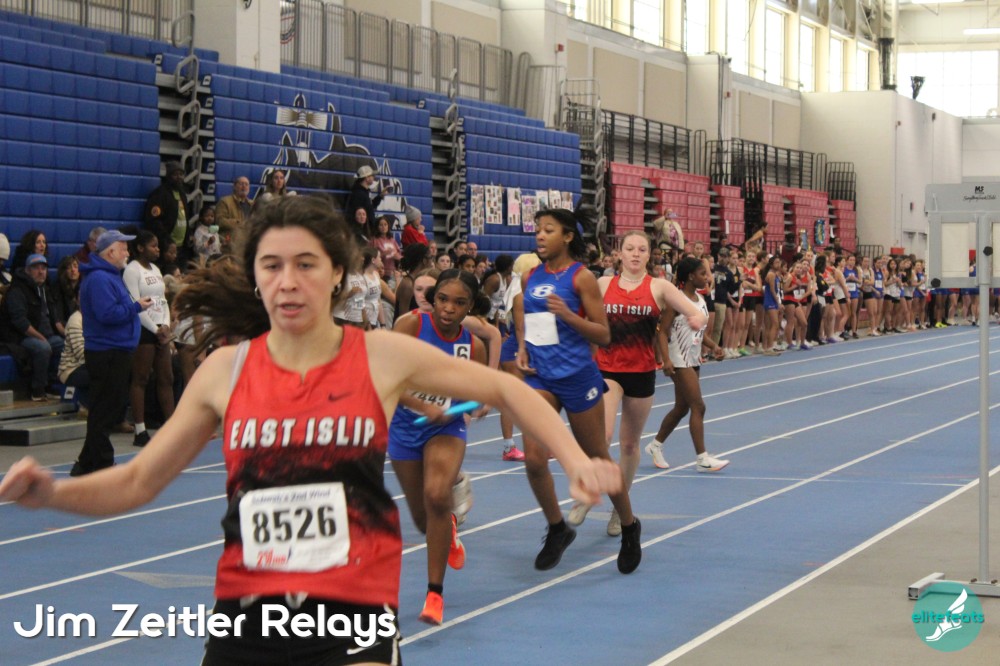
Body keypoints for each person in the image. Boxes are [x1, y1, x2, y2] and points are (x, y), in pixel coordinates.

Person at [0, 196, 622, 665]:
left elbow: (508, 389)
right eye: (272, 266)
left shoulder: (379, 356)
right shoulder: (224, 371)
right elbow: (138, 480)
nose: (289, 281)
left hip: (355, 613)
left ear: (337, 274)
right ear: (256, 276)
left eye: (306, 264)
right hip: (248, 617)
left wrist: (575, 460)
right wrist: (52, 493)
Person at [514, 207, 641, 574]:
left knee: (597, 458)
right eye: (538, 229)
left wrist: (569, 316)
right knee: (534, 459)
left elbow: (603, 334)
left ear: (567, 236)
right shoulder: (530, 275)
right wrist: (523, 346)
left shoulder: (581, 277)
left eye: (548, 230)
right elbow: (527, 315)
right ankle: (557, 528)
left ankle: (629, 526)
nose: (540, 235)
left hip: (577, 377)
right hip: (540, 377)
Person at [389, 269, 489, 625]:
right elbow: (386, 379)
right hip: (404, 427)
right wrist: (421, 405)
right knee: (423, 520)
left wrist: (474, 402)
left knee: (436, 493)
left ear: (470, 307)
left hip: (446, 427)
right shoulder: (410, 326)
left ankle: (435, 594)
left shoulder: (473, 347)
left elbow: (475, 392)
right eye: (443, 299)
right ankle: (447, 525)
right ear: (434, 299)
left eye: (459, 303)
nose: (448, 308)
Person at [596, 232, 706, 535]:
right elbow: (580, 312)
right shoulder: (602, 284)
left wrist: (697, 320)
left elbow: (696, 311)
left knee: (630, 444)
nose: (635, 253)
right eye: (629, 248)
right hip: (607, 369)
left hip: (641, 372)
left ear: (649, 255)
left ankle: (620, 509)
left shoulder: (659, 286)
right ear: (619, 253)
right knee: (603, 436)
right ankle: (591, 490)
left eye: (641, 249)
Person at [70, 230, 153, 476]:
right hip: (107, 351)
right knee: (106, 409)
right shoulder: (100, 279)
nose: (127, 252)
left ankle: (86, 463)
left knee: (103, 408)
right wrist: (136, 307)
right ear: (111, 252)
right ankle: (103, 462)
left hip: (113, 350)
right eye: (123, 248)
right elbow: (107, 314)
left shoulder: (108, 276)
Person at [647, 257, 730, 472]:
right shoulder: (675, 301)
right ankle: (702, 459)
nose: (707, 278)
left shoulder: (700, 300)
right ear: (691, 276)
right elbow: (661, 332)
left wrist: (714, 346)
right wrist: (665, 359)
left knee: (682, 407)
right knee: (698, 406)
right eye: (703, 274)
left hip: (693, 359)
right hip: (678, 360)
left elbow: (699, 332)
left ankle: (655, 445)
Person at [122, 231, 175, 447]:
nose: (158, 249)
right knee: (141, 378)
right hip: (144, 329)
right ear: (140, 247)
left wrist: (166, 325)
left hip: (161, 328)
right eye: (153, 246)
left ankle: (172, 426)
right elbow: (135, 304)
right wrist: (155, 329)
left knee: (167, 378)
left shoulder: (156, 269)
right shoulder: (132, 270)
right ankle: (140, 430)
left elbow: (162, 300)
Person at [0, 253, 65, 400]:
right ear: (27, 271)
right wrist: (41, 338)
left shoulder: (45, 290)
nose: (41, 272)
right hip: (19, 337)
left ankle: (51, 383)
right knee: (43, 348)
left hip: (44, 334)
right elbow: (20, 323)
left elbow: (55, 319)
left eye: (43, 268)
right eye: (36, 268)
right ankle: (38, 390)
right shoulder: (17, 291)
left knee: (63, 344)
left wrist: (67, 334)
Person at [143, 162, 191, 256]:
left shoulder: (182, 194)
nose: (179, 177)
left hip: (181, 248)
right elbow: (154, 221)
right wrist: (167, 241)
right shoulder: (159, 194)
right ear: (168, 176)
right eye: (175, 174)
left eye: (181, 174)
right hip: (165, 248)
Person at [215, 176, 253, 252]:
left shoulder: (253, 204)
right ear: (234, 186)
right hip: (230, 244)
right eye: (241, 184)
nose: (244, 186)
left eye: (246, 184)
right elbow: (220, 221)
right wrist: (240, 223)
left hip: (247, 244)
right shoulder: (225, 201)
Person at [345, 165, 389, 231]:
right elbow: (356, 215)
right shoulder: (359, 194)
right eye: (372, 175)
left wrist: (380, 196)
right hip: (362, 231)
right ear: (367, 178)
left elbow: (369, 207)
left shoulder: (363, 192)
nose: (374, 177)